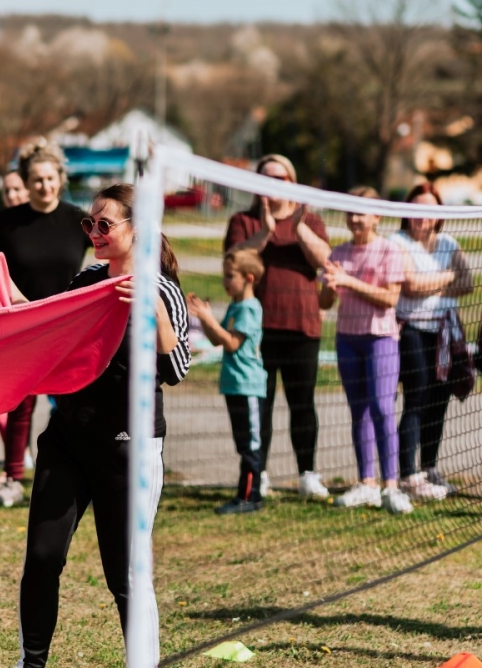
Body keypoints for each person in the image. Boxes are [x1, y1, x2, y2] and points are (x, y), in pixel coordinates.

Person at [16, 183, 190, 668]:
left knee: (127, 576)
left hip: (128, 450)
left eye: (104, 224)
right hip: (67, 442)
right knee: (43, 558)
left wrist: (153, 313)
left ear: (137, 230)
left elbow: (177, 370)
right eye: (88, 223)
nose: (93, 232)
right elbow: (43, 329)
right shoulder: (84, 280)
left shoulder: (163, 289)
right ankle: (31, 662)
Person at [0, 139, 91, 505]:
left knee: (74, 404)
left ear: (60, 179)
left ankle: (78, 477)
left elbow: (114, 247)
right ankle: (12, 478)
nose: (44, 186)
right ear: (27, 183)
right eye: (37, 180)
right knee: (21, 406)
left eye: (50, 179)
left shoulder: (78, 220)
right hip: (24, 325)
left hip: (68, 326)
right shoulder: (10, 221)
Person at [224, 154, 331, 499]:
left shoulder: (309, 220)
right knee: (261, 404)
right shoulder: (244, 220)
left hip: (302, 327)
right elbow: (235, 260)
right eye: (266, 177)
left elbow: (324, 261)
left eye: (280, 178)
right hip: (258, 330)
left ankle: (307, 474)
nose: (273, 184)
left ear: (292, 181)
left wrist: (298, 230)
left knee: (303, 403)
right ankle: (260, 474)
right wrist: (266, 233)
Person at [318, 186, 412, 514]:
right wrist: (329, 288)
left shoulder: (389, 250)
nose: (355, 218)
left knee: (382, 408)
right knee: (358, 410)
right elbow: (325, 301)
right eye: (351, 211)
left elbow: (390, 299)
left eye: (362, 212)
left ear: (377, 217)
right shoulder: (337, 253)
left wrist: (349, 281)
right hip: (347, 338)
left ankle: (391, 487)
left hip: (381, 338)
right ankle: (366, 483)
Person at [390, 183, 473, 498]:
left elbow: (468, 283)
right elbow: (410, 285)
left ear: (438, 215)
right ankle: (408, 475)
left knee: (439, 401)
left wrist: (434, 286)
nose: (422, 216)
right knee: (417, 399)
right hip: (411, 331)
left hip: (444, 334)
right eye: (415, 209)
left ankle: (430, 469)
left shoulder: (449, 243)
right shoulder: (397, 242)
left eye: (429, 210)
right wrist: (446, 277)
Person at [187, 249, 268, 515]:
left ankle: (250, 496)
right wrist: (203, 317)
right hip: (234, 385)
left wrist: (209, 319)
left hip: (249, 386)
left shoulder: (250, 308)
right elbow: (216, 339)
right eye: (224, 275)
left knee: (251, 446)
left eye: (230, 276)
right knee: (243, 443)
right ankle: (246, 494)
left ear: (249, 278)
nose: (225, 281)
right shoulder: (235, 306)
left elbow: (232, 343)